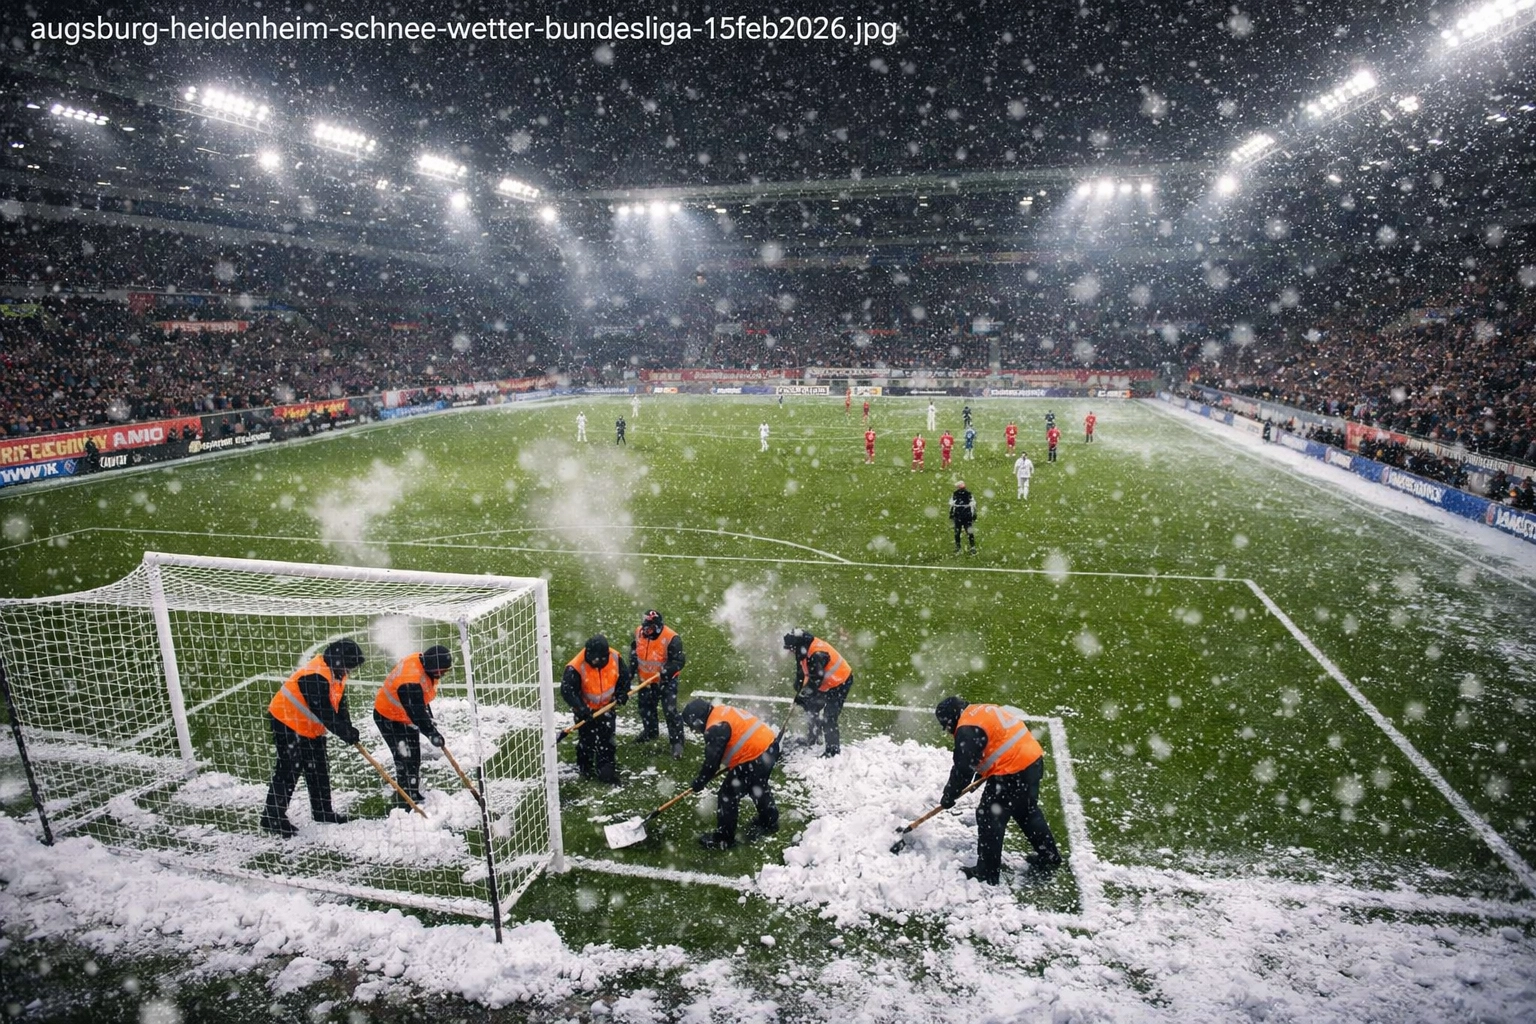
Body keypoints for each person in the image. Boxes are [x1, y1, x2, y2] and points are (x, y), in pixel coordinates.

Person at [934, 697, 1063, 884]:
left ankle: (987, 872)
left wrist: (949, 795)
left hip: (1011, 772)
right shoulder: (980, 711)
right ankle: (1050, 855)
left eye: (945, 726)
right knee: (1026, 811)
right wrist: (981, 775)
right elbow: (994, 742)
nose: (947, 731)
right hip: (1031, 761)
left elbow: (962, 769)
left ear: (950, 719)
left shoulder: (966, 729)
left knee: (989, 816)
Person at [262, 638, 366, 838]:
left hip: (310, 727)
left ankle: (322, 811)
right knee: (289, 769)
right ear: (338, 660)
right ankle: (272, 817)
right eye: (347, 667)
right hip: (287, 722)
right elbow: (325, 712)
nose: (349, 672)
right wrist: (344, 733)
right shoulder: (315, 676)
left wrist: (348, 726)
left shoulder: (336, 672)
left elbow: (338, 703)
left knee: (318, 767)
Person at [682, 699, 779, 849]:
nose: (693, 730)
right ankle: (769, 821)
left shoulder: (715, 728)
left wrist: (700, 781)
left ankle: (724, 839)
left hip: (755, 756)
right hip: (769, 746)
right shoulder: (720, 711)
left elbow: (712, 762)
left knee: (727, 795)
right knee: (757, 785)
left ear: (698, 721)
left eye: (691, 726)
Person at [372, 645, 452, 808]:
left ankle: (412, 790)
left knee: (414, 755)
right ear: (433, 667)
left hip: (404, 716)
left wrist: (428, 719)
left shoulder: (420, 663)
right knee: (404, 757)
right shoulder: (410, 681)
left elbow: (419, 702)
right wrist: (432, 734)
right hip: (388, 718)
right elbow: (416, 713)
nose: (443, 674)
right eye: (442, 671)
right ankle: (406, 800)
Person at [561, 635, 631, 785]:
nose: (593, 662)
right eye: (591, 659)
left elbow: (624, 679)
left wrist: (621, 694)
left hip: (607, 707)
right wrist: (582, 709)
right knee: (586, 741)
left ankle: (606, 767)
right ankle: (584, 766)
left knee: (607, 740)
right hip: (586, 712)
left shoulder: (615, 658)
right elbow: (567, 691)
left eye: (597, 660)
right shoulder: (575, 666)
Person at [783, 629, 853, 757]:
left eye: (791, 649)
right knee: (811, 707)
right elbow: (801, 670)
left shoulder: (816, 654)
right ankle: (812, 738)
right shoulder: (802, 649)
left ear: (797, 646)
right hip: (824, 682)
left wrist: (803, 696)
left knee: (829, 717)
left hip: (840, 682)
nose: (791, 652)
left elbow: (815, 680)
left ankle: (833, 751)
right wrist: (799, 686)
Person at [629, 610, 686, 758]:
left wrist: (665, 673)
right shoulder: (638, 632)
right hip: (645, 681)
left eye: (650, 628)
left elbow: (678, 662)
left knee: (670, 711)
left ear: (658, 626)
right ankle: (650, 732)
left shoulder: (672, 638)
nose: (646, 631)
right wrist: (631, 671)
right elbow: (634, 653)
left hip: (666, 681)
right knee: (645, 708)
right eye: (645, 627)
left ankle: (677, 743)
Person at [950, 480, 977, 552]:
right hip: (965, 514)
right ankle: (971, 547)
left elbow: (952, 504)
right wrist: (974, 513)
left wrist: (951, 513)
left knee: (958, 532)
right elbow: (973, 504)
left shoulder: (956, 494)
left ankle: (960, 547)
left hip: (960, 514)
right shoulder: (968, 494)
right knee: (966, 531)